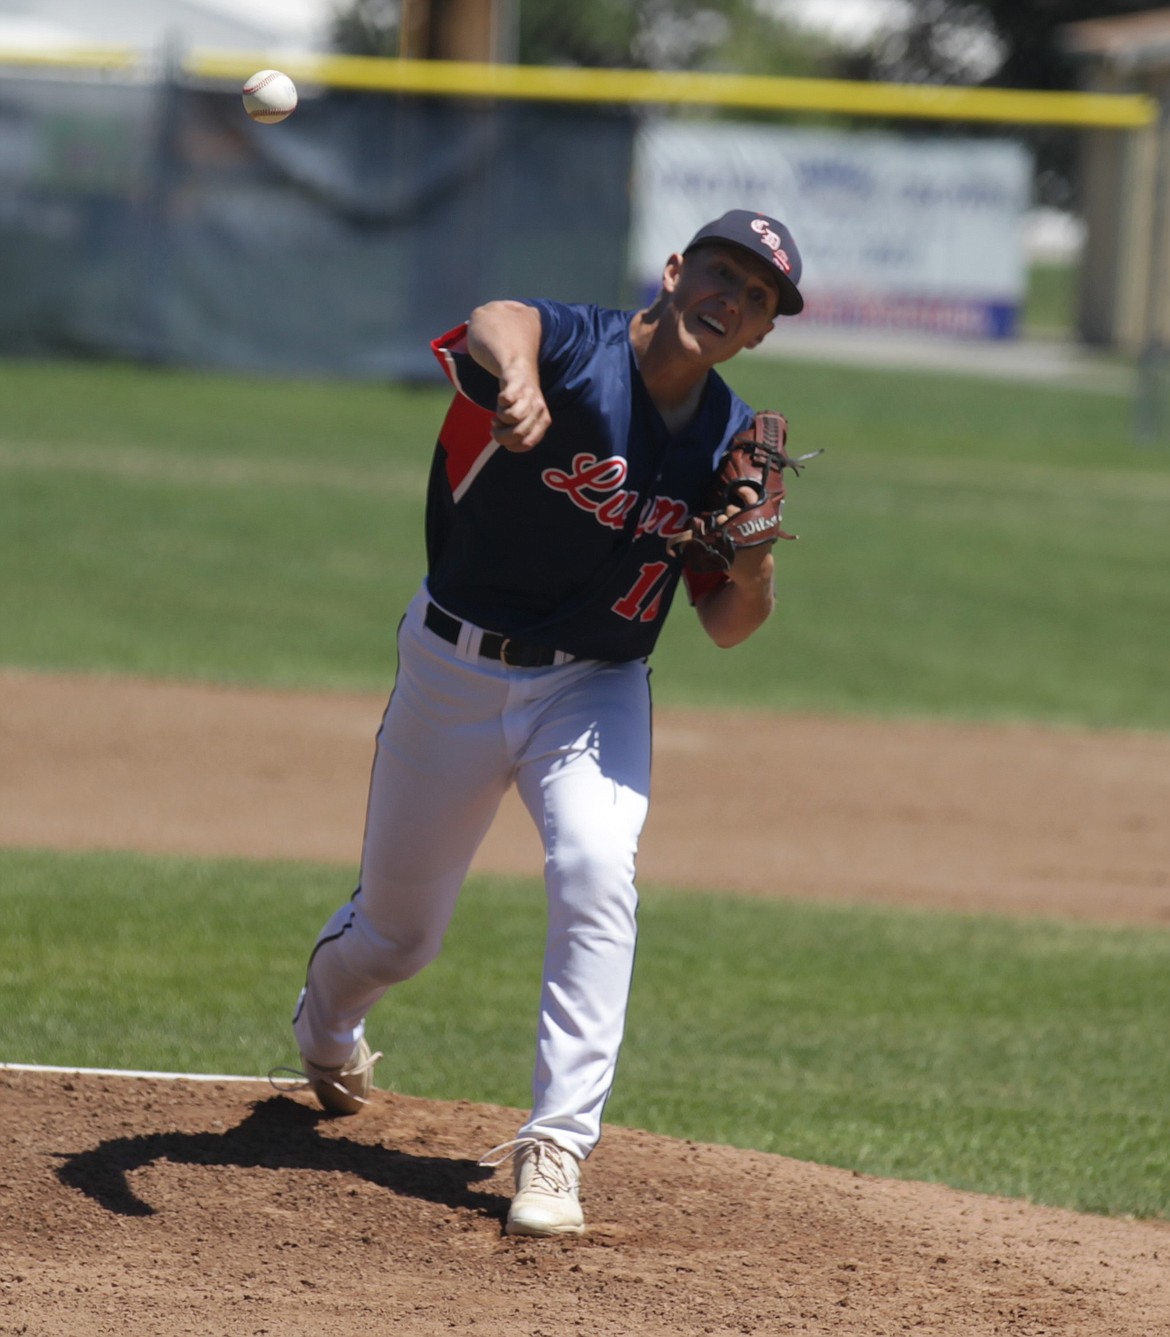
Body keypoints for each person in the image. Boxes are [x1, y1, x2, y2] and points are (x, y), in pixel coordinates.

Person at [287, 208, 805, 1237]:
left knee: (596, 869)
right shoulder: (574, 347)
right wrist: (517, 381)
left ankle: (557, 1143)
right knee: (397, 935)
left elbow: (731, 624)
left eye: (755, 299)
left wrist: (752, 555)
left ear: (760, 333)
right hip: (452, 664)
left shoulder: (729, 440)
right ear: (672, 269)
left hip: (597, 685)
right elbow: (498, 318)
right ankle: (328, 1020)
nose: (731, 299)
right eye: (720, 272)